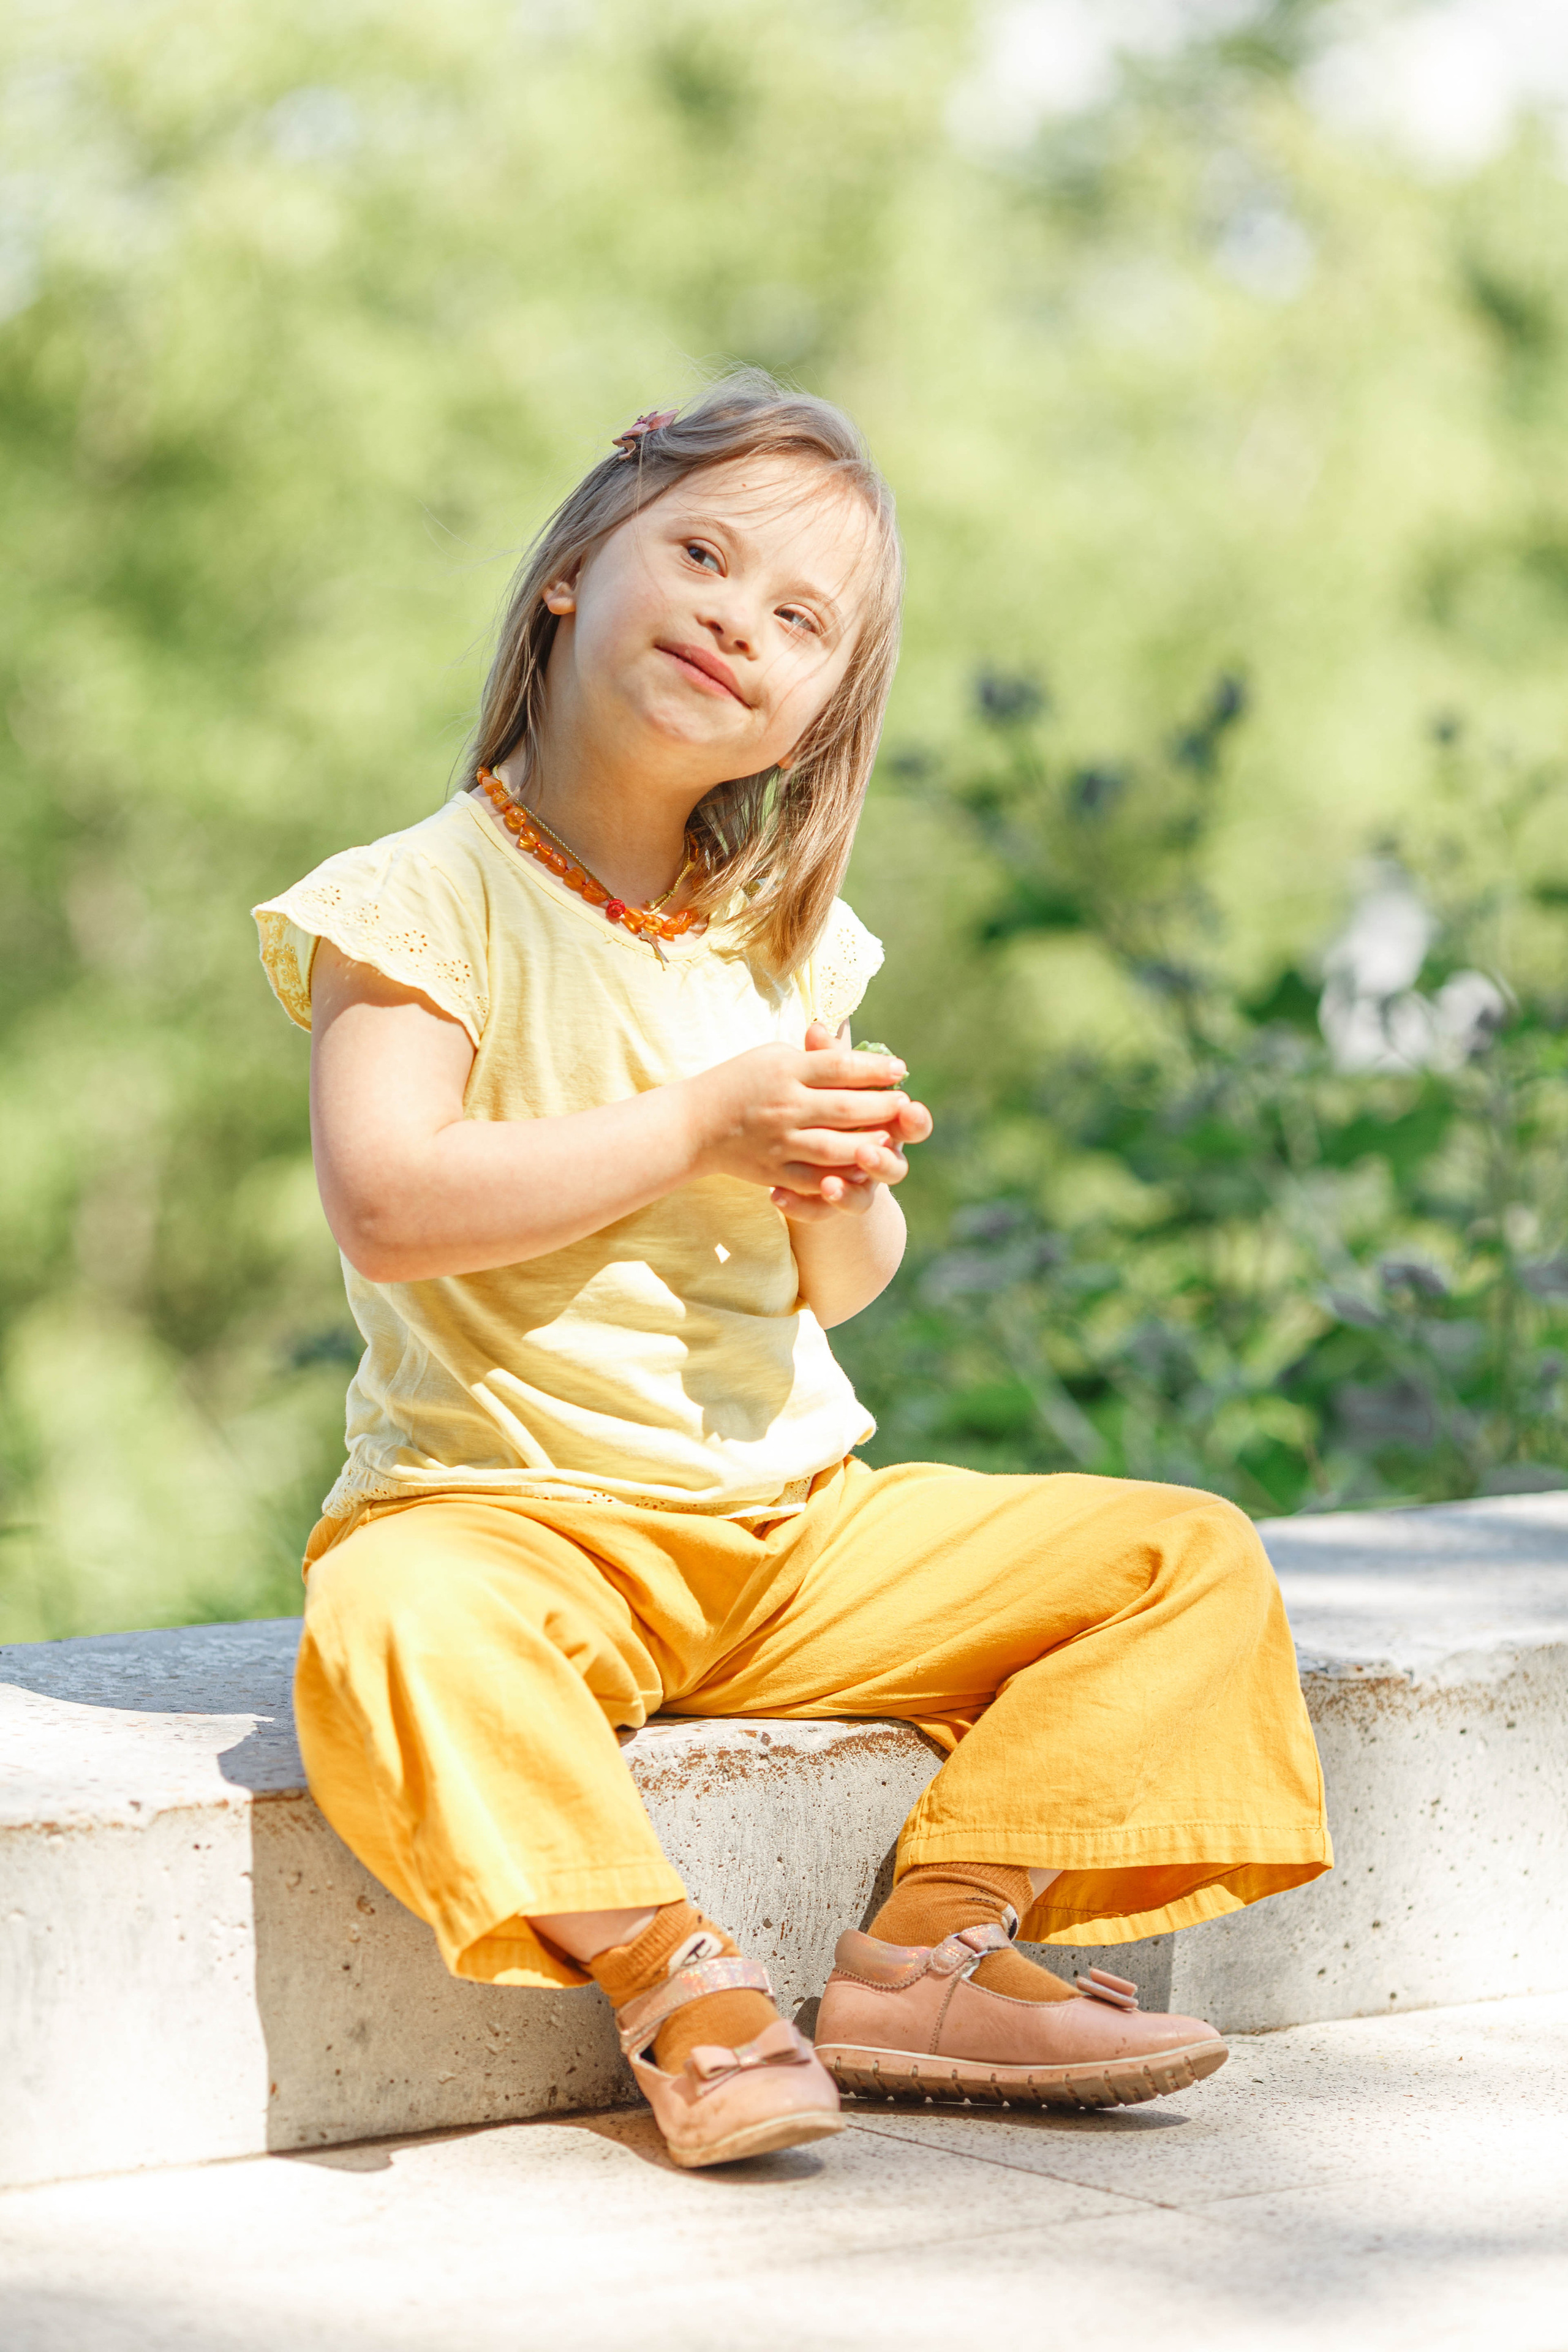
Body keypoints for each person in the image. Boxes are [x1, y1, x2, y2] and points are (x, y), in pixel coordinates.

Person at [253, 371, 1331, 2171]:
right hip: (521, 1520)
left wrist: (835, 1174)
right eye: (701, 555)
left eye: (797, 619)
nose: (734, 621)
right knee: (389, 1618)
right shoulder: (417, 899)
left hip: (792, 1536)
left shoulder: (785, 942)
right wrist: (699, 1126)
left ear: (816, 714)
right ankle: (677, 1978)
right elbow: (390, 1201)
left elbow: (847, 1282)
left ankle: (931, 1955)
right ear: (573, 575)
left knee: (1186, 1556)